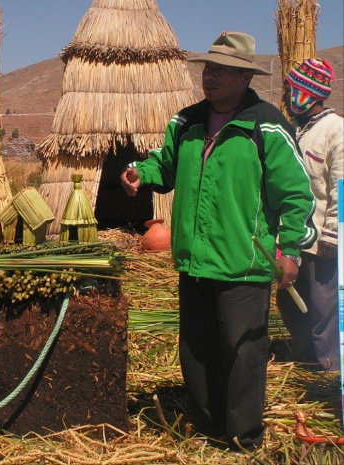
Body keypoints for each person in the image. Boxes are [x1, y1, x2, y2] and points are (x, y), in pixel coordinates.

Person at [120, 32, 316, 450]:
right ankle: (206, 427)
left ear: (245, 77)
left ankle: (242, 437)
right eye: (208, 69)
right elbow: (165, 165)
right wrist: (144, 173)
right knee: (196, 348)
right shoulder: (187, 121)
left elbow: (295, 195)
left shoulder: (266, 125)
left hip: (243, 261)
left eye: (222, 71)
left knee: (242, 353)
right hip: (194, 259)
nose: (210, 78)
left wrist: (290, 250)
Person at [277, 58, 342, 372]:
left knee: (321, 306)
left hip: (320, 239)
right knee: (290, 302)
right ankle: (303, 359)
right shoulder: (295, 131)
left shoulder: (336, 130)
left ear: (305, 92)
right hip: (293, 235)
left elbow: (339, 185)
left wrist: (333, 233)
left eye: (289, 88)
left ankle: (327, 371)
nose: (285, 94)